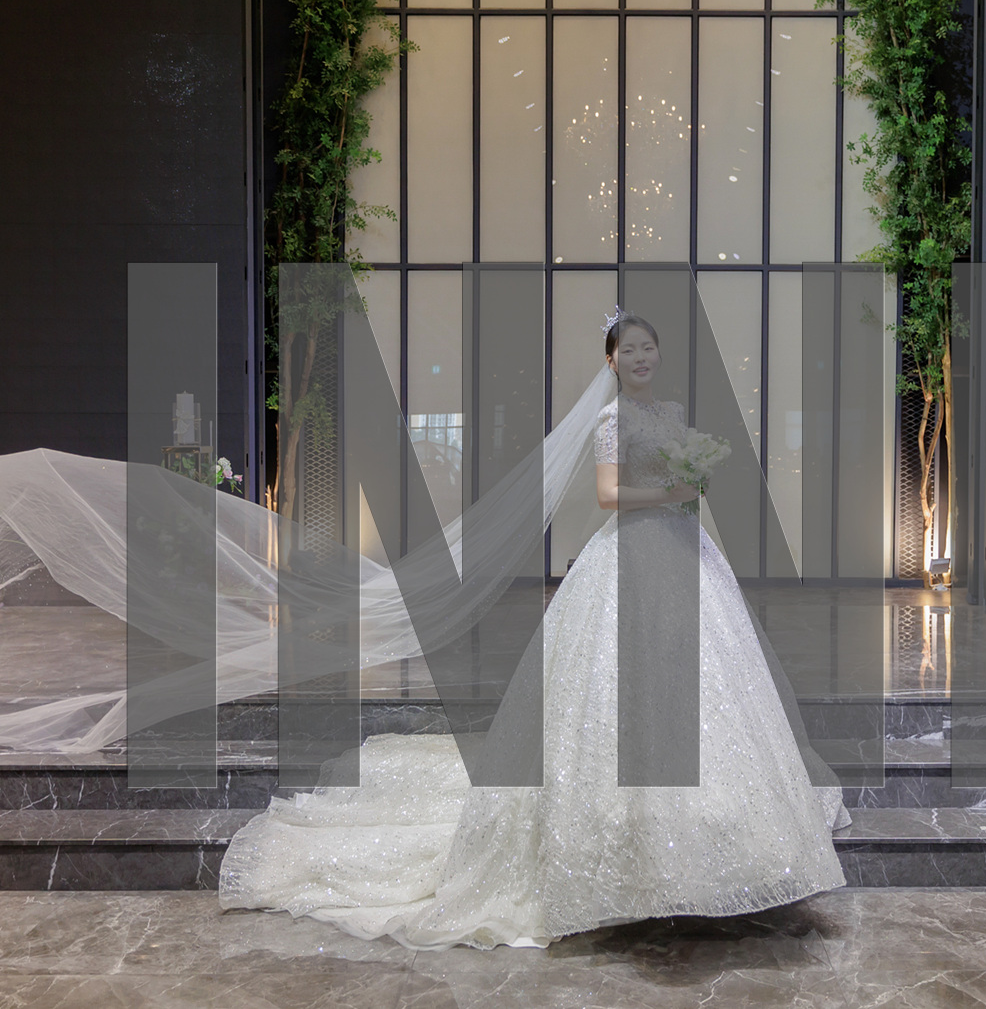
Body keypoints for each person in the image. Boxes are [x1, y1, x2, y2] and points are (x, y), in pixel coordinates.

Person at [218, 310, 850, 950]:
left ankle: (717, 839)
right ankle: (631, 847)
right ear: (611, 361)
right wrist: (670, 494)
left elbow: (684, 480)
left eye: (648, 347)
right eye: (629, 349)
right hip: (631, 551)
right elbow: (608, 495)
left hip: (686, 554)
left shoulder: (674, 411)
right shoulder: (612, 421)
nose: (640, 357)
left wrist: (691, 487)